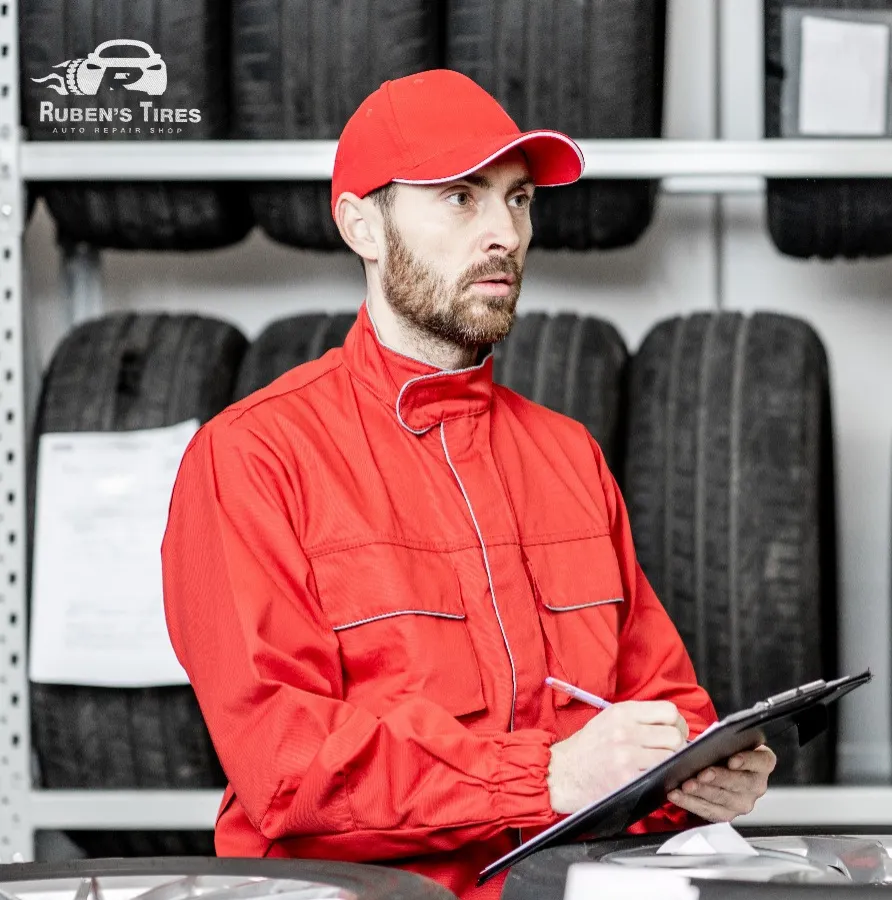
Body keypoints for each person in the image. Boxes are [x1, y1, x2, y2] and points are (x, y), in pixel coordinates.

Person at [160, 69, 775, 899]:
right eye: (460, 198)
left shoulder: (568, 455)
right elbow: (286, 763)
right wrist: (546, 776)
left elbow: (662, 700)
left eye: (518, 200)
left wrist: (697, 776)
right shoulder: (255, 457)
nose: (505, 234)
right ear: (361, 226)